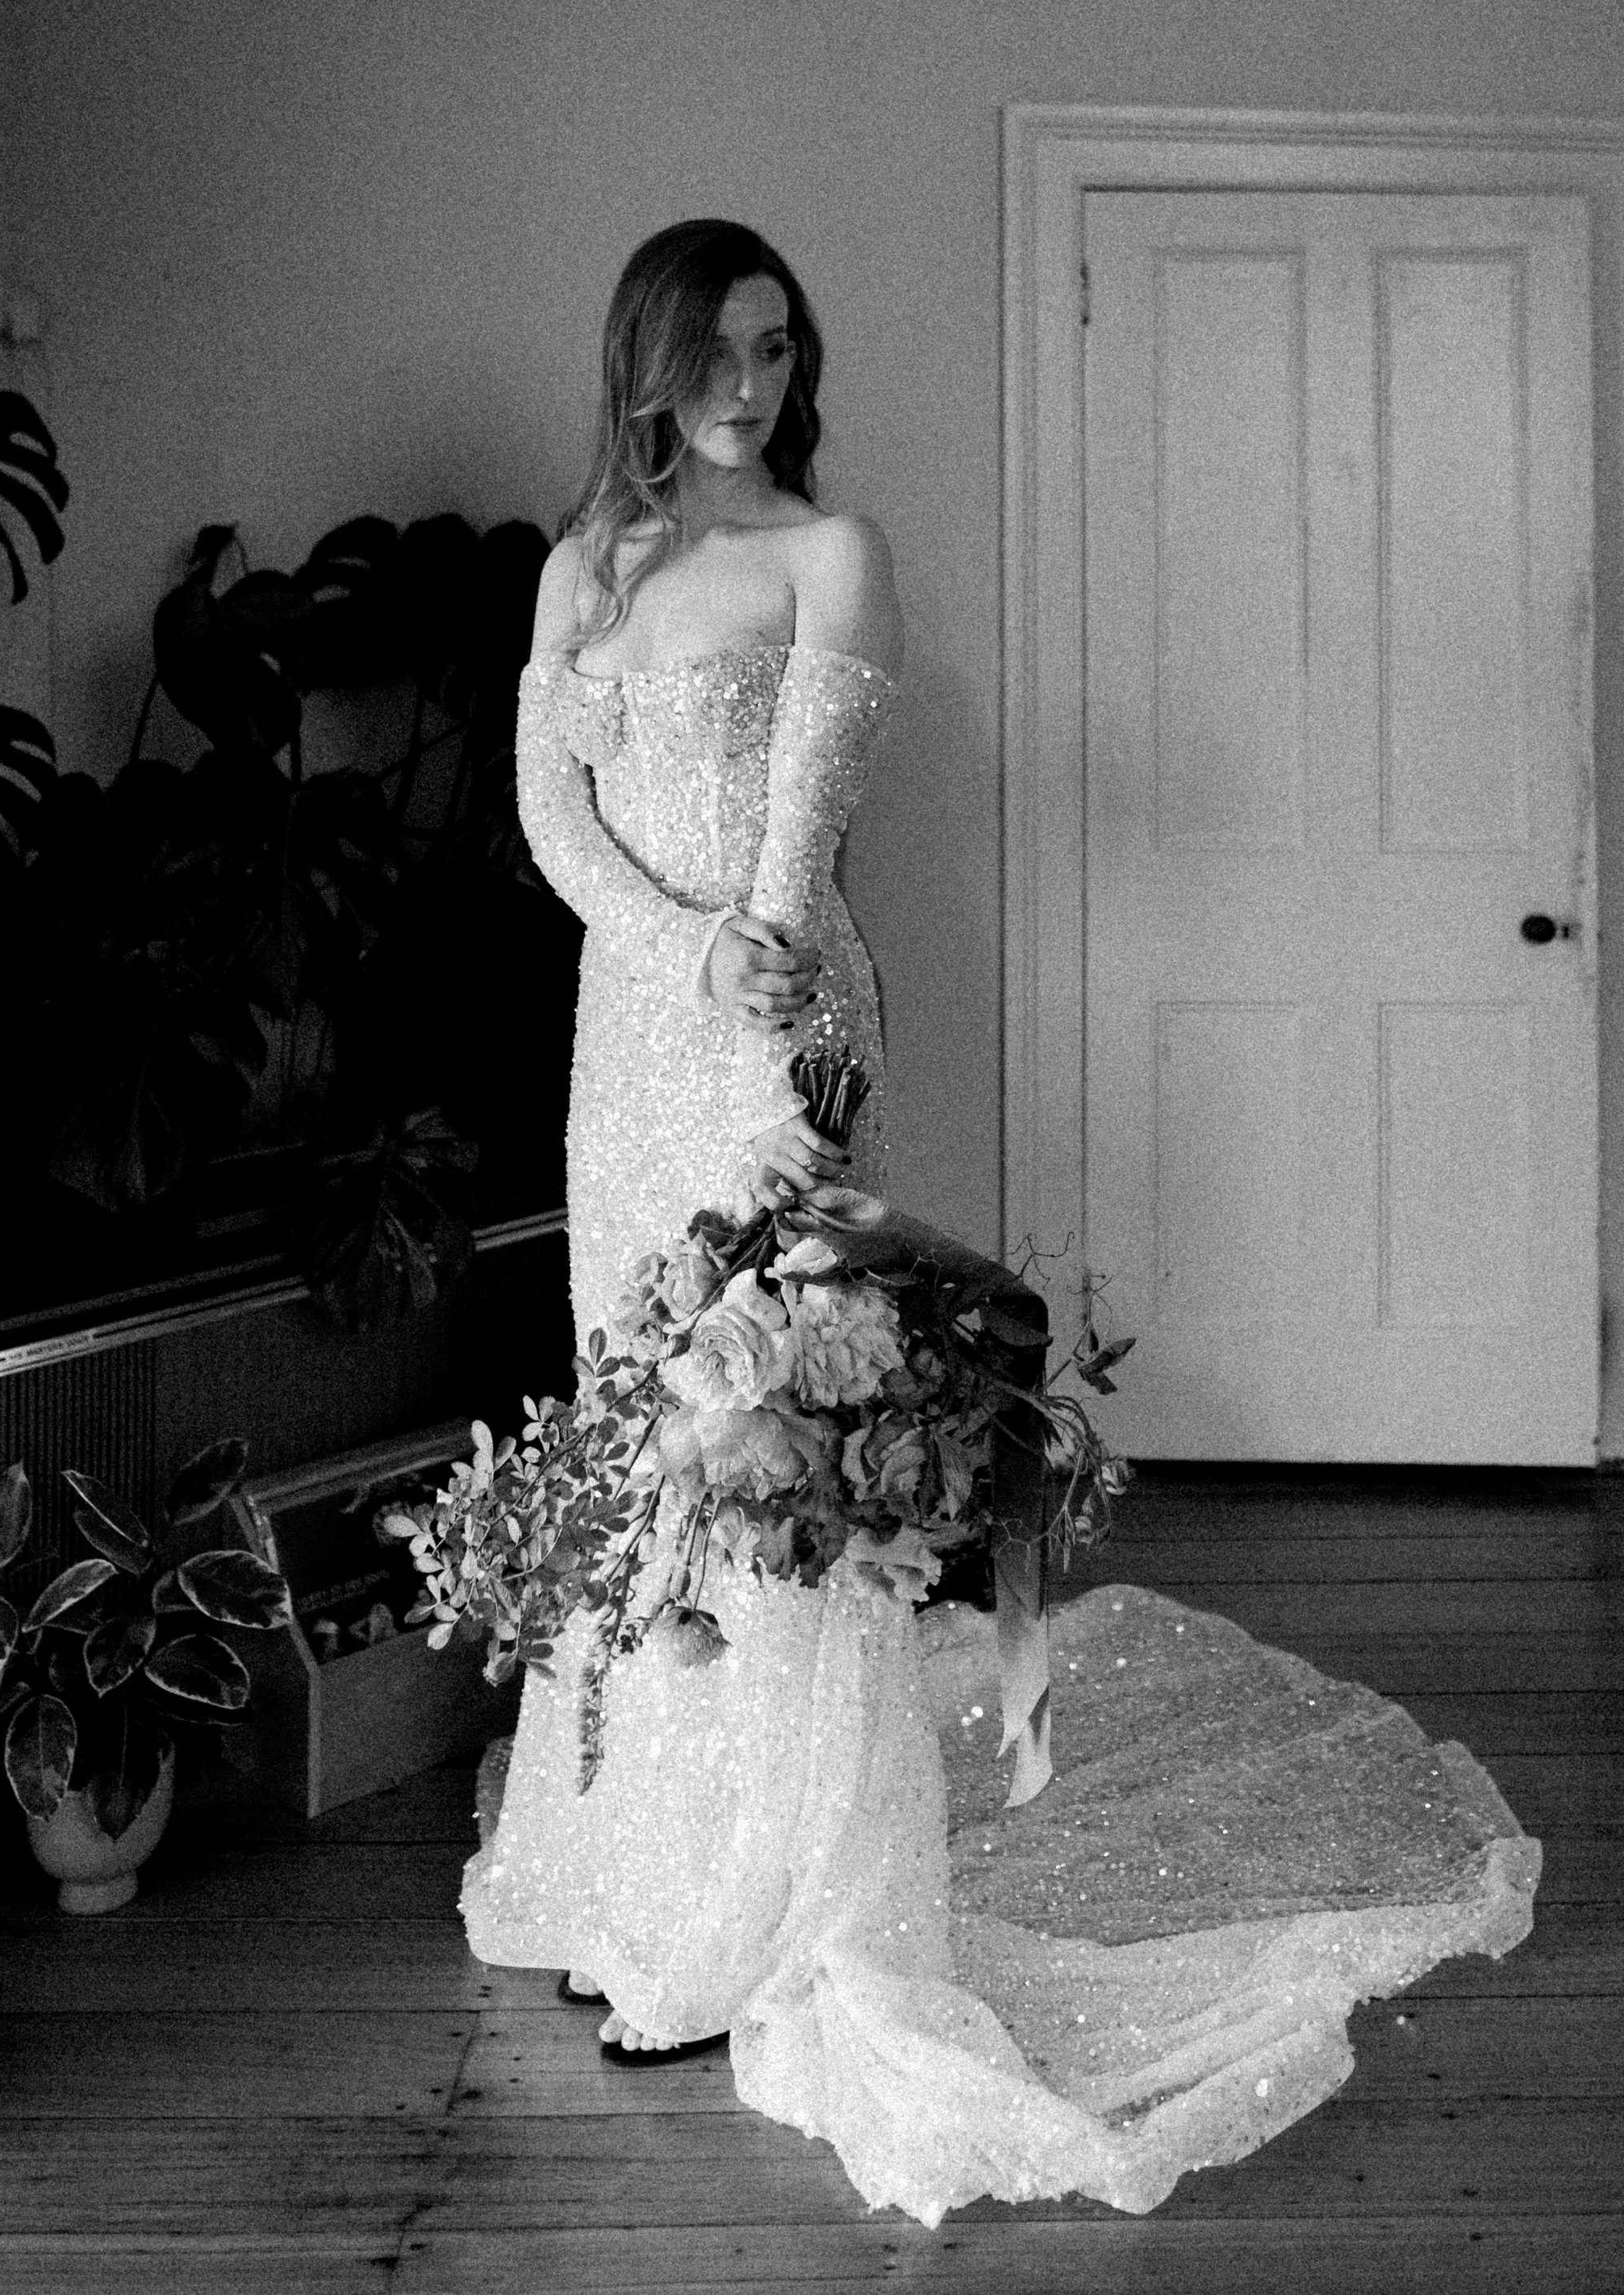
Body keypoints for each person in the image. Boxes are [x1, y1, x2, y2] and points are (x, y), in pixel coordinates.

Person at [459, 218, 1541, 2225]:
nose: (751, 383)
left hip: (772, 1023)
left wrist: (753, 983)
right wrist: (676, 956)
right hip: (631, 1036)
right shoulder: (576, 570)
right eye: (716, 349)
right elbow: (547, 819)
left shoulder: (828, 553)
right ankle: (621, 1872)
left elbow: (795, 833)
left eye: (778, 348)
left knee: (771, 1428)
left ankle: (759, 1909)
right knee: (637, 1436)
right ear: (647, 359)